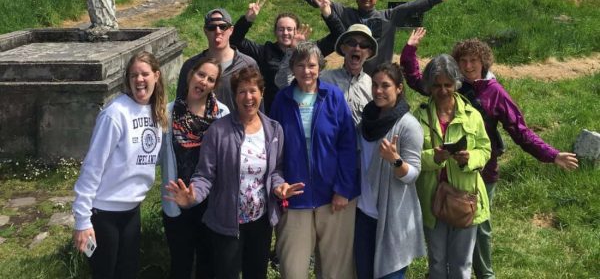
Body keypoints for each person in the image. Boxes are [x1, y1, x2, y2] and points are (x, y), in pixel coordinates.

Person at [401, 29, 579, 279]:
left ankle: (485, 274)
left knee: (479, 230)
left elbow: (520, 131)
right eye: (463, 60)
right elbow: (416, 78)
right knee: (443, 234)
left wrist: (551, 155)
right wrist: (409, 50)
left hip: (481, 173)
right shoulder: (446, 87)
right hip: (439, 177)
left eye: (474, 60)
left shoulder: (494, 92)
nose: (469, 65)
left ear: (484, 62)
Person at [165, 67, 304, 279]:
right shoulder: (219, 131)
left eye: (253, 91)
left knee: (256, 274)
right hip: (226, 222)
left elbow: (275, 170)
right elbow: (204, 175)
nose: (248, 97)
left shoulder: (274, 130)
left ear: (262, 93)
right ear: (234, 96)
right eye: (241, 92)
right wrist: (193, 196)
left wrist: (279, 186)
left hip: (261, 221)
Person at [72, 51, 167, 279]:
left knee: (128, 271)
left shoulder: (158, 112)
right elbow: (92, 167)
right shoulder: (115, 114)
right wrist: (82, 220)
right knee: (105, 273)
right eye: (133, 75)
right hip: (104, 212)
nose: (139, 80)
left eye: (144, 74)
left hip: (132, 211)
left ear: (156, 76)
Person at [270, 41, 360, 279]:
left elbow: (348, 145)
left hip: (334, 198)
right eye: (300, 65)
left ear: (320, 67)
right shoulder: (282, 100)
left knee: (336, 271)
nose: (306, 71)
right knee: (293, 270)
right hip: (295, 198)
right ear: (292, 68)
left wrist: (343, 189)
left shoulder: (333, 97)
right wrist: (279, 182)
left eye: (311, 65)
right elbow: (272, 149)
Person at [413, 54, 491, 279]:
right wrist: (434, 158)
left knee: (461, 266)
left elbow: (486, 150)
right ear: (428, 86)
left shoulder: (472, 116)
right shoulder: (418, 118)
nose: (443, 90)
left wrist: (470, 159)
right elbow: (411, 158)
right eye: (437, 85)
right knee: (436, 263)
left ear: (456, 83)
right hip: (431, 200)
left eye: (448, 85)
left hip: (466, 198)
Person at [287, 0, 453, 74]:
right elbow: (323, 3)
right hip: (351, 75)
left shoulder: (388, 17)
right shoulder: (347, 13)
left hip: (380, 77)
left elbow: (412, 6)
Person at [355, 62, 426, 279]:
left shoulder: (409, 126)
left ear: (399, 88)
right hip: (364, 215)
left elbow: (413, 174)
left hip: (393, 218)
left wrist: (396, 160)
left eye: (385, 86)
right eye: (375, 85)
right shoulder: (365, 122)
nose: (378, 91)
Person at [160, 57, 230, 279]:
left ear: (214, 85)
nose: (204, 82)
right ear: (191, 75)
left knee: (207, 263)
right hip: (177, 200)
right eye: (201, 75)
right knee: (180, 262)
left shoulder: (222, 115)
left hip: (210, 201)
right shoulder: (168, 113)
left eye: (211, 79)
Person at [230, 0, 344, 112]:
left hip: (305, 110)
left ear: (297, 31)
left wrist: (328, 14)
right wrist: (247, 19)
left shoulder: (310, 52)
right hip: (274, 112)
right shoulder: (264, 51)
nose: (285, 33)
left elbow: (339, 37)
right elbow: (235, 40)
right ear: (275, 32)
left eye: (289, 29)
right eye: (281, 29)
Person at [177, 8, 257, 113]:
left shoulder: (248, 65)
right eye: (212, 27)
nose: (218, 31)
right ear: (205, 31)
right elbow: (180, 104)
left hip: (237, 128)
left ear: (231, 30)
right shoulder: (191, 66)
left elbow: (257, 106)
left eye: (223, 27)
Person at [320, 23, 378, 125]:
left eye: (364, 45)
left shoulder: (373, 86)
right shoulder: (323, 79)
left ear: (368, 53)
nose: (357, 48)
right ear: (343, 48)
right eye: (351, 43)